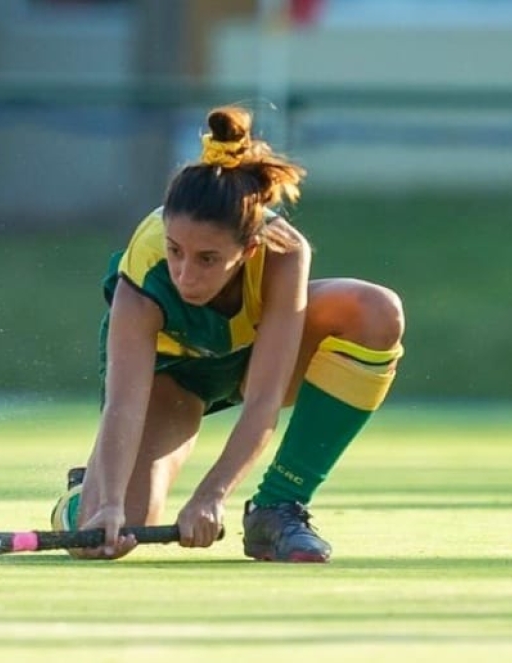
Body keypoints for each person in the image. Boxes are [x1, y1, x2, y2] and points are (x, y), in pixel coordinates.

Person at [51, 105, 405, 562]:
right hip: (171, 378)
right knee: (104, 537)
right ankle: (83, 496)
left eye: (207, 260)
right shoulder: (143, 274)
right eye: (176, 251)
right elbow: (124, 404)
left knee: (374, 311)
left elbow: (263, 400)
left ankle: (276, 509)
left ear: (249, 248)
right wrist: (111, 504)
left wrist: (212, 494)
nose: (184, 275)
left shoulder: (282, 254)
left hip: (249, 356)